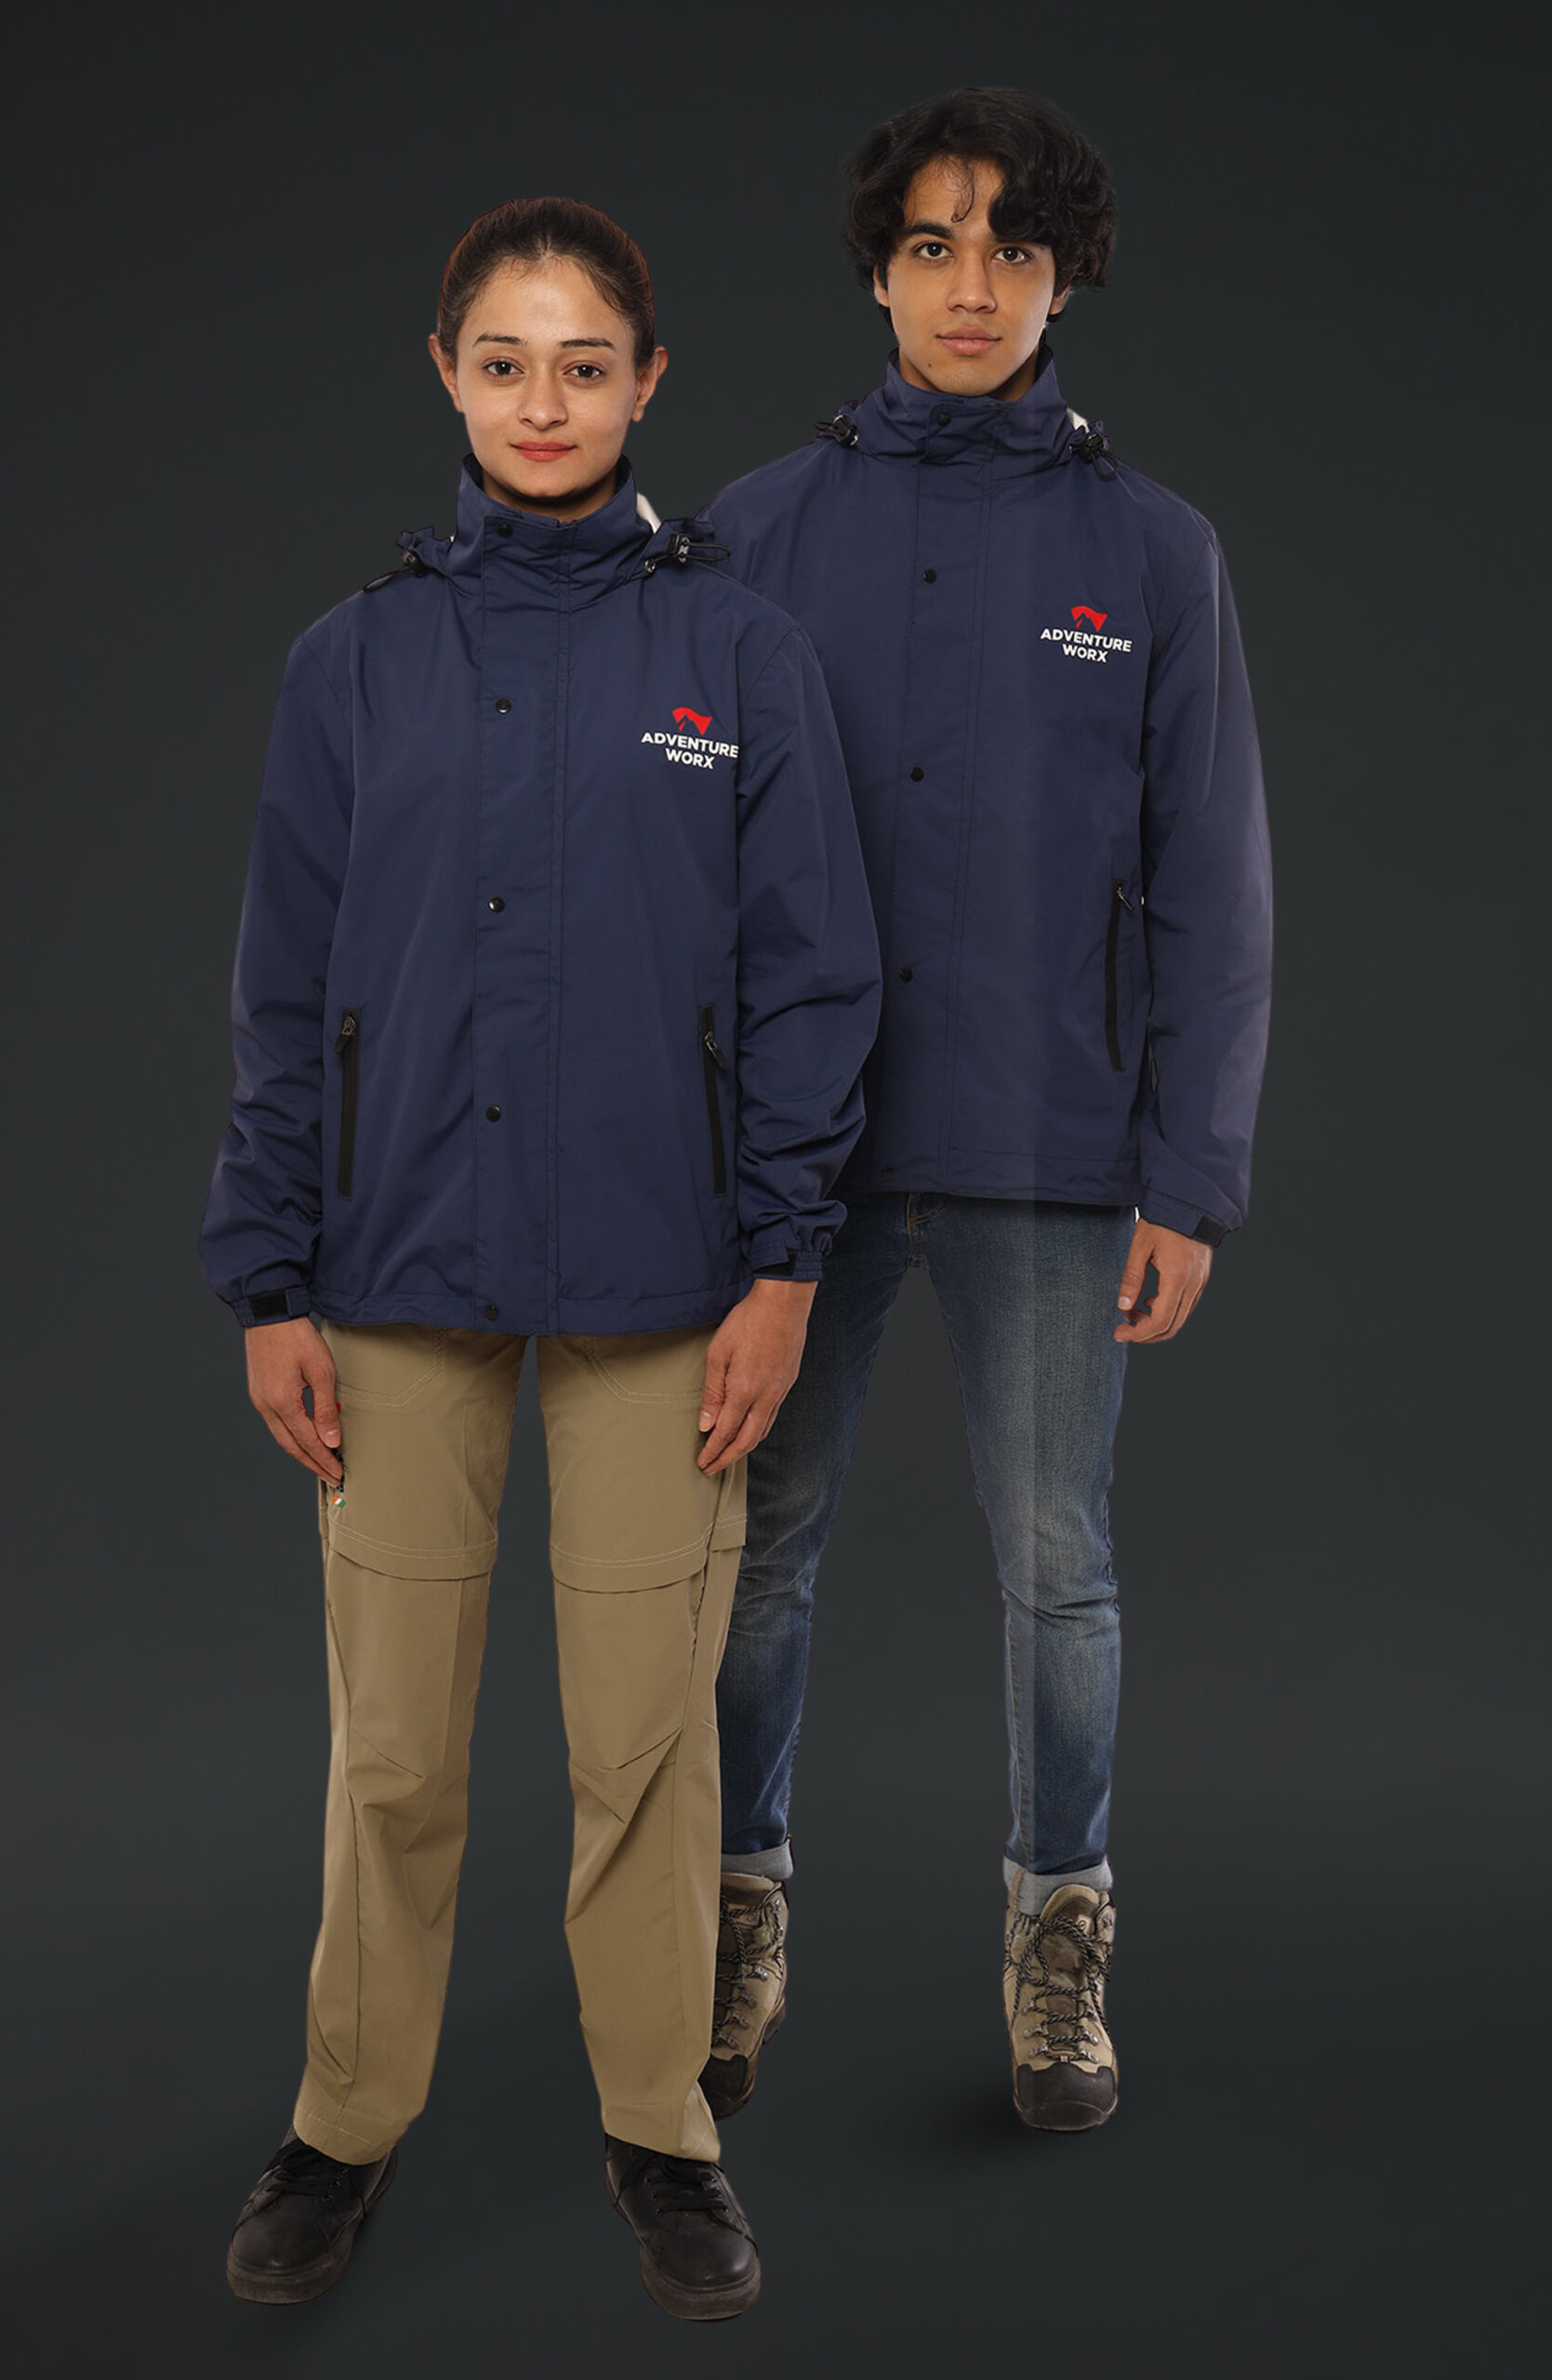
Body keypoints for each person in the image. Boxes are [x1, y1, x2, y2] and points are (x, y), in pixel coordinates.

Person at [198, 195, 881, 2318]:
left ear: (648, 382)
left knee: (641, 1745)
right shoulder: (354, 660)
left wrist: (782, 1267)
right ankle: (342, 2123)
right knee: (394, 1748)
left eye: (587, 364)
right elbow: (282, 988)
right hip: (393, 1273)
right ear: (448, 375)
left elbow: (814, 982)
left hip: (665, 1286)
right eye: (505, 362)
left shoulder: (739, 655)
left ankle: (661, 2129)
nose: (546, 402)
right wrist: (269, 1277)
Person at [696, 88, 1272, 2135]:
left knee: (1056, 1564)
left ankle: (1059, 1948)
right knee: (755, 1550)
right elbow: (682, 864)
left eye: (1012, 250)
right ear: (877, 270)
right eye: (932, 245)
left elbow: (1211, 881)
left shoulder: (1152, 554)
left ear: (1063, 281)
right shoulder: (754, 532)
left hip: (1052, 1146)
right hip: (801, 1164)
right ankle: (727, 1920)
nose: (970, 286)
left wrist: (1191, 1171)